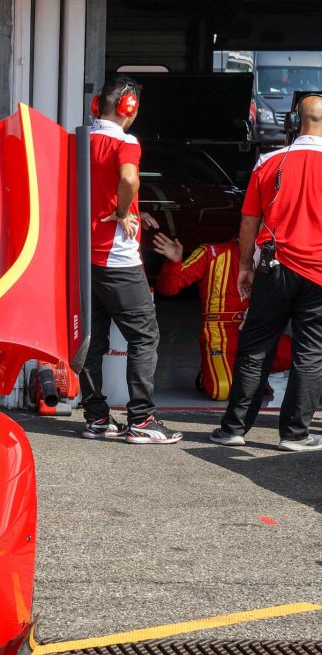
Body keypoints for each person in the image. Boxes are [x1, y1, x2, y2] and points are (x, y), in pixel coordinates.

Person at [211, 93, 322, 451]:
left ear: (294, 122)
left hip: (274, 267)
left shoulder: (269, 161)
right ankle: (295, 434)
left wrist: (245, 266)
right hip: (319, 273)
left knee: (256, 345)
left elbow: (249, 220)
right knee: (311, 352)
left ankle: (233, 428)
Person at [79, 74, 182, 444]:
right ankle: (141, 419)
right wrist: (124, 210)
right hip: (117, 260)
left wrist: (132, 208)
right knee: (145, 336)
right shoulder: (125, 142)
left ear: (97, 105)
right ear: (129, 107)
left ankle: (96, 418)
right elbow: (128, 179)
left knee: (92, 339)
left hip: (81, 257)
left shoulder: (78, 138)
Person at [152, 232, 292, 400]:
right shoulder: (210, 252)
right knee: (222, 390)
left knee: (305, 353)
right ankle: (212, 374)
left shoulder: (274, 257)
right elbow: (168, 288)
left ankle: (255, 375)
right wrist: (173, 262)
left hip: (258, 331)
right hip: (220, 333)